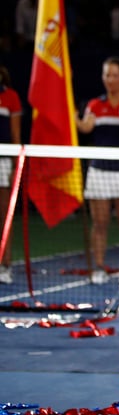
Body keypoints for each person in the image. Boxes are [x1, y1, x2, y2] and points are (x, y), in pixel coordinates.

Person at [75, 57, 119, 284]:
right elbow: (85, 127)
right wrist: (71, 112)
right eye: (107, 75)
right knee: (100, 222)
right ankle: (98, 267)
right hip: (100, 171)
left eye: (115, 75)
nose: (111, 80)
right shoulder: (96, 104)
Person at [0, 66, 23, 285]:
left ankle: (5, 264)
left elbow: (15, 134)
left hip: (2, 160)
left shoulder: (10, 97)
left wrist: (17, 164)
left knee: (3, 215)